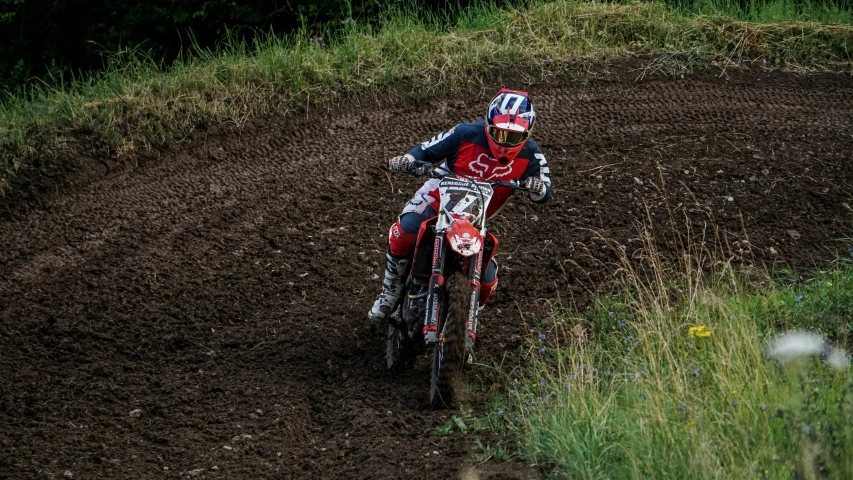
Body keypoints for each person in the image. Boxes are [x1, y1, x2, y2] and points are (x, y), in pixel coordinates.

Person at [368, 88, 552, 326]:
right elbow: (426, 149)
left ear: (527, 134)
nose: (505, 144)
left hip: (475, 218)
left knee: (487, 281)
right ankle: (390, 292)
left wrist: (538, 187)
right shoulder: (467, 133)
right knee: (407, 230)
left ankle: (465, 322)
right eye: (499, 133)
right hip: (438, 198)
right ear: (487, 125)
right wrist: (409, 160)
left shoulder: (532, 154)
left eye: (513, 137)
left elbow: (544, 190)